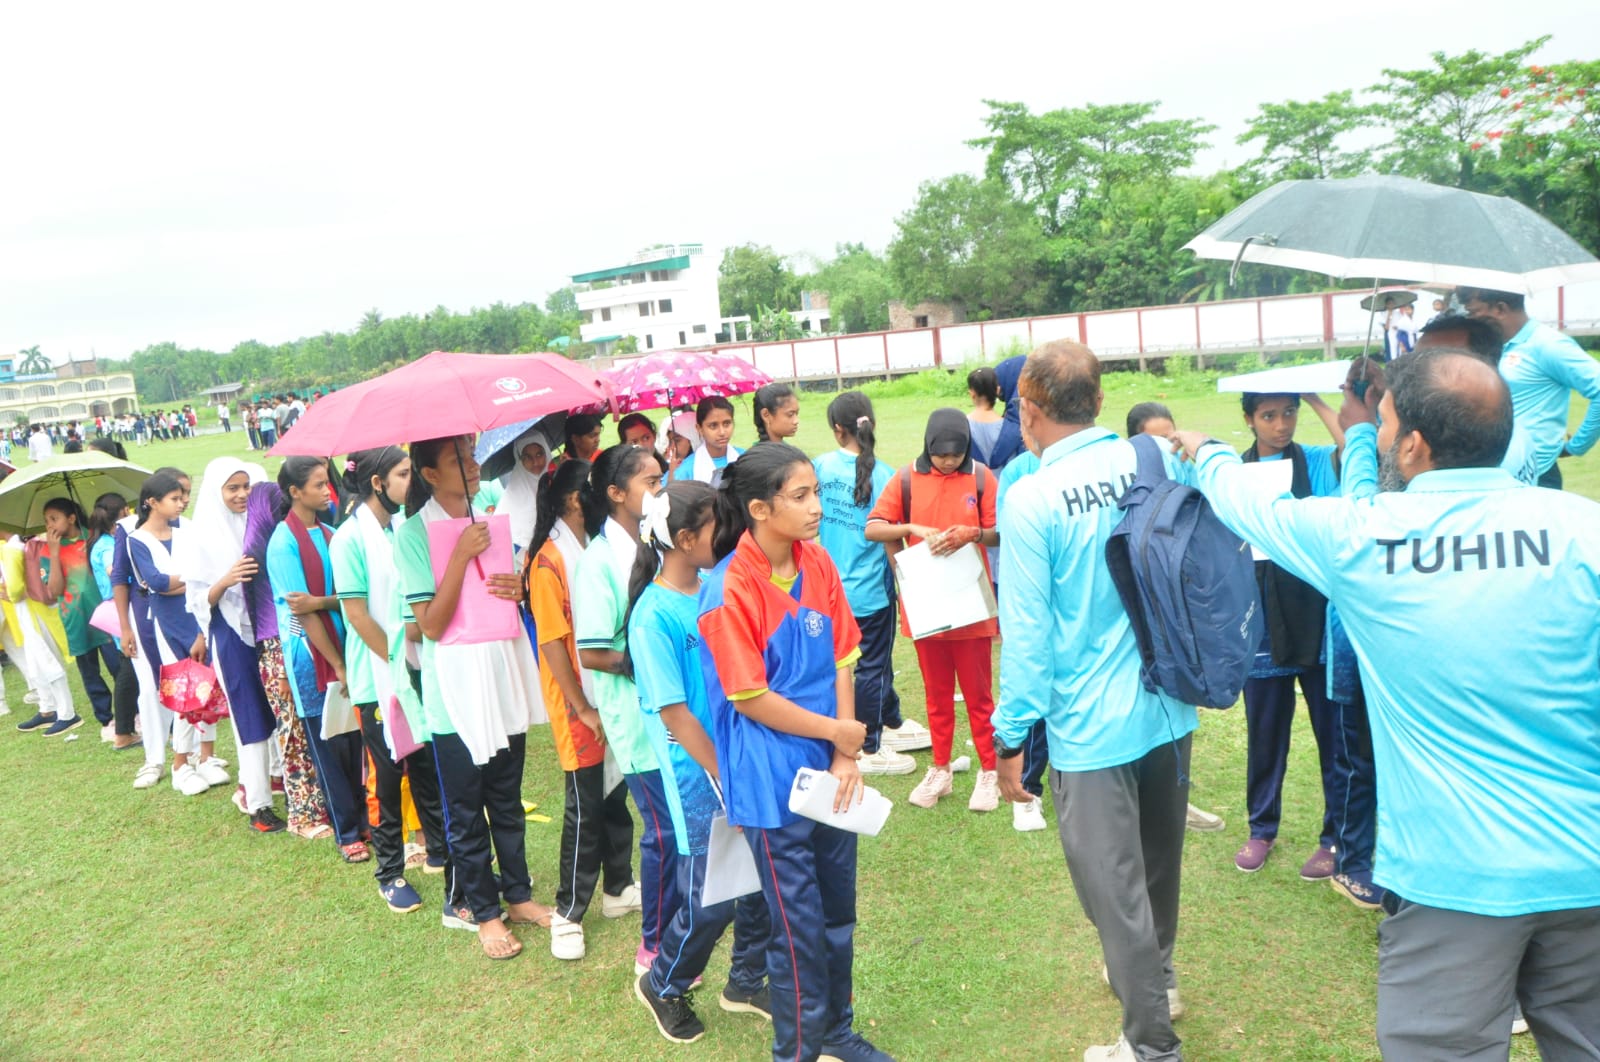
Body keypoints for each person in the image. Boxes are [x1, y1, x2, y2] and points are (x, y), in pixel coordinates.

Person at [1174, 348, 1600, 1061]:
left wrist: (1206, 449)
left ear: (1414, 446)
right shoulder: (1584, 528)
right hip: (1586, 866)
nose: (1376, 436)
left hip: (1451, 882)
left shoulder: (1363, 537)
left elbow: (1253, 506)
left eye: (1386, 424)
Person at [992, 340, 1195, 1062]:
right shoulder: (1154, 457)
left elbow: (1028, 638)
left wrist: (1009, 738)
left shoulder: (1032, 497)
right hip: (1168, 709)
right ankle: (1156, 982)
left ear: (1028, 411)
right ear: (1101, 401)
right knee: (1156, 869)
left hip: (1090, 728)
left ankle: (1150, 1044)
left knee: (1113, 894)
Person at [697, 442, 892, 1062]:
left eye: (815, 493)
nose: (816, 507)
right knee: (796, 927)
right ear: (759, 508)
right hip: (768, 776)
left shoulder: (818, 560)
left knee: (837, 913)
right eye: (801, 496)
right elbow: (750, 696)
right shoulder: (728, 587)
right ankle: (798, 1050)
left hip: (829, 767)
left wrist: (844, 750)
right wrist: (837, 732)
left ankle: (836, 1030)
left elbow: (843, 654)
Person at [395, 435, 549, 958]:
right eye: (457, 459)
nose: (472, 464)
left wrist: (518, 588)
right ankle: (485, 913)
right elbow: (431, 625)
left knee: (507, 796)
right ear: (430, 475)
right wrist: (460, 555)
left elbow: (504, 595)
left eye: (471, 454)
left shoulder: (489, 513)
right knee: (465, 809)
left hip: (502, 669)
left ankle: (519, 896)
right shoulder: (414, 534)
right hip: (454, 690)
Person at [629, 480, 772, 1042]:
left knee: (760, 878)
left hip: (742, 756)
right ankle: (663, 982)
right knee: (712, 896)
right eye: (719, 525)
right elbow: (676, 715)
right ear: (686, 539)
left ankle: (747, 980)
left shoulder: (718, 586)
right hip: (699, 771)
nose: (732, 533)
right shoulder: (652, 617)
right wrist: (724, 775)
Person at [1231, 391, 1343, 880]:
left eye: (1290, 412)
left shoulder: (1315, 461)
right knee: (1265, 731)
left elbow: (1354, 447)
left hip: (1316, 617)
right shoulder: (1235, 472)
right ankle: (1261, 829)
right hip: (1260, 619)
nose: (1281, 425)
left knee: (1333, 735)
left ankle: (1335, 836)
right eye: (1269, 415)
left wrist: (1315, 397)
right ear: (1249, 419)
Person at [332, 446, 449, 908]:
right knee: (386, 774)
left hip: (413, 665)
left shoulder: (402, 527)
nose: (411, 481)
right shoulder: (349, 539)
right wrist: (396, 662)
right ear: (378, 483)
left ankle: (441, 853)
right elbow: (357, 615)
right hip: (377, 676)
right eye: (403, 474)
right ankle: (390, 873)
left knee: (426, 765)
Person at [526, 459, 635, 961]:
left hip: (604, 695)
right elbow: (552, 643)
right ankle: (568, 913)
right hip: (578, 702)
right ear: (574, 500)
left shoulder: (590, 547)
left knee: (614, 794)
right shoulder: (548, 562)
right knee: (585, 806)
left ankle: (619, 886)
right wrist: (582, 707)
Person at [866, 408, 1001, 812]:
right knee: (937, 695)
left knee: (979, 696)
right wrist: (908, 531)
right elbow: (874, 527)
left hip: (971, 607)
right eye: (941, 455)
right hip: (927, 608)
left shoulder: (981, 477)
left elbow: (999, 532)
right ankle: (940, 769)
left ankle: (989, 771)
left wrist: (973, 533)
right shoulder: (906, 478)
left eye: (956, 455)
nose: (948, 462)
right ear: (928, 447)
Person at [574, 444, 669, 972]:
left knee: (680, 828)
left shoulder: (656, 540)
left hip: (668, 707)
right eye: (650, 483)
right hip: (635, 716)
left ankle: (674, 929)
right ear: (615, 493)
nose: (659, 490)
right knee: (663, 833)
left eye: (661, 480)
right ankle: (652, 946)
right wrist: (651, 660)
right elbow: (591, 652)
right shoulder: (598, 561)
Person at [1122, 402, 1226, 837]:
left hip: (1180, 607)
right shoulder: (1126, 483)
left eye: (1171, 438)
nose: (1167, 448)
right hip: (1142, 612)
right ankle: (1142, 799)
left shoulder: (1185, 472)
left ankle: (1176, 795)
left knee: (1178, 697)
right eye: (1156, 441)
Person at [266, 458, 366, 860]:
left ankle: (365, 818)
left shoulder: (330, 533)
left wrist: (324, 602)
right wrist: (338, 664)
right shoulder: (282, 543)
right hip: (310, 655)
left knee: (354, 739)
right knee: (327, 745)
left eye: (328, 483)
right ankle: (347, 831)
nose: (328, 491)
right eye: (319, 485)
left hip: (346, 643)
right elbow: (301, 612)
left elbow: (348, 595)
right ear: (295, 492)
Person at [179, 458, 285, 833]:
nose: (242, 495)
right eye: (233, 488)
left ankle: (274, 778)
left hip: (266, 628)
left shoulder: (259, 522)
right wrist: (226, 580)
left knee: (276, 707)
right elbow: (196, 600)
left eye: (246, 487)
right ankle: (258, 804)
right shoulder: (202, 535)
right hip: (229, 632)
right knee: (248, 715)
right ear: (217, 491)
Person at [814, 393, 910, 776]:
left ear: (838, 430)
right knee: (872, 666)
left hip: (829, 591)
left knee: (846, 665)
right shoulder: (886, 475)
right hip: (872, 593)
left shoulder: (821, 467)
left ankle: (891, 719)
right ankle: (868, 746)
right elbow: (890, 539)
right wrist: (905, 584)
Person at [126, 470, 233, 797]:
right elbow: (156, 582)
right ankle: (180, 765)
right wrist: (193, 580)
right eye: (175, 498)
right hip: (167, 620)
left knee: (208, 684)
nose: (182, 502)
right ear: (152, 502)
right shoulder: (137, 539)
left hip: (199, 614)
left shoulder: (186, 531)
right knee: (184, 687)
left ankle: (207, 757)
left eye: (183, 497)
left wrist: (186, 582)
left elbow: (202, 575)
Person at [244, 480, 331, 836]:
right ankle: (303, 815)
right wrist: (281, 667)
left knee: (318, 726)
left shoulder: (292, 542)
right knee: (293, 730)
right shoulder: (264, 551)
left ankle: (324, 804)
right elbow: (279, 611)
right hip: (278, 648)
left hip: (301, 642)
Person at [1459, 285, 1600, 490]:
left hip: (1535, 474)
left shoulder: (1548, 344)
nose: (1469, 318)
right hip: (1493, 471)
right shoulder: (1494, 345)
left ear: (1500, 308)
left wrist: (1576, 446)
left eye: (1473, 311)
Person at [40, 497, 121, 741]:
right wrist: (55, 553)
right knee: (89, 673)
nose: (49, 525)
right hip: (75, 620)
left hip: (104, 617)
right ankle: (106, 718)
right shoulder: (47, 551)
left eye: (54, 519)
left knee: (119, 667)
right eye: (46, 521)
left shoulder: (93, 538)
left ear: (72, 518)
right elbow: (54, 591)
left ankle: (131, 713)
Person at [88, 493, 141, 752]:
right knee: (129, 668)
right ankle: (123, 731)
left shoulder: (101, 542)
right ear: (123, 512)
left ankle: (125, 730)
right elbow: (113, 571)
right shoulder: (108, 544)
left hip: (120, 608)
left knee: (128, 667)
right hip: (123, 609)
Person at [498, 426, 551, 561]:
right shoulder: (511, 498)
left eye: (539, 454)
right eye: (527, 457)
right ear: (519, 460)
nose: (535, 462)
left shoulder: (557, 485)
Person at [676, 396, 742, 487]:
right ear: (699, 429)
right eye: (713, 426)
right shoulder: (687, 469)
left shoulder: (743, 457)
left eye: (726, 423)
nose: (722, 432)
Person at [966, 366, 1003, 466]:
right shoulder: (1007, 427)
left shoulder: (962, 425)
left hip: (974, 475)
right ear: (998, 390)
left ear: (972, 394)